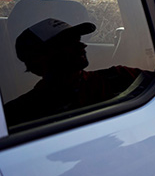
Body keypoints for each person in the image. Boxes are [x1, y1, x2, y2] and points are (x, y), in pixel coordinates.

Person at [4, 18, 145, 127]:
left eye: (78, 39)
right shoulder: (20, 113)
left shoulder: (121, 77)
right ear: (40, 58)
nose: (82, 45)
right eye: (67, 43)